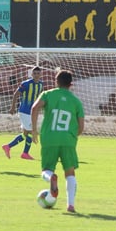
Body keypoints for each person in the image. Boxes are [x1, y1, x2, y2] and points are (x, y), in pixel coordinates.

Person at [31, 70, 84, 213]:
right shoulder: (76, 101)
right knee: (70, 173)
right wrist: (72, 137)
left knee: (46, 170)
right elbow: (81, 127)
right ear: (71, 84)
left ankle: (51, 177)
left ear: (56, 81)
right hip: (68, 140)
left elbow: (34, 108)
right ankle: (70, 205)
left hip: (49, 138)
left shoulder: (48, 94)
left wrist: (34, 130)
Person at [2, 66, 43, 160]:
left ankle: (8, 147)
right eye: (34, 73)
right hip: (24, 111)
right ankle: (25, 153)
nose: (36, 75)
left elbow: (38, 97)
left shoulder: (41, 84)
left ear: (41, 74)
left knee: (25, 134)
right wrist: (12, 107)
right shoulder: (26, 84)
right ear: (31, 74)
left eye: (38, 73)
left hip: (32, 112)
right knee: (29, 132)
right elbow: (16, 94)